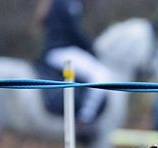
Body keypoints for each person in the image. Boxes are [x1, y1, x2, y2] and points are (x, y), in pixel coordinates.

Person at [37, 0, 111, 136]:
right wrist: (91, 48)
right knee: (101, 75)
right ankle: (85, 119)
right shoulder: (68, 3)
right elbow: (74, 32)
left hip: (56, 51)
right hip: (63, 51)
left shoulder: (57, 3)